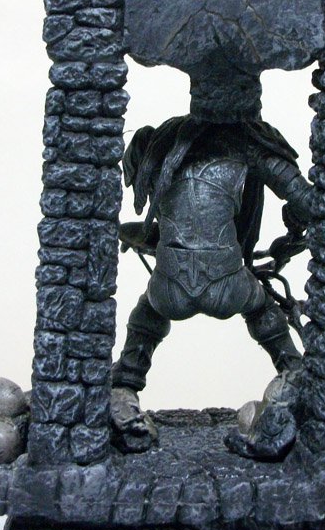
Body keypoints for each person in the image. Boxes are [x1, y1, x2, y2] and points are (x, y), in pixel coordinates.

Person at [109, 115, 312, 449]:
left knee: (148, 315)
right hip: (229, 284)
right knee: (262, 308)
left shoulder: (162, 143)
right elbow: (306, 203)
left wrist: (142, 236)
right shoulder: (251, 144)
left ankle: (126, 382)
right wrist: (296, 227)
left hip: (169, 290)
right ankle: (293, 369)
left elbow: (184, 224)